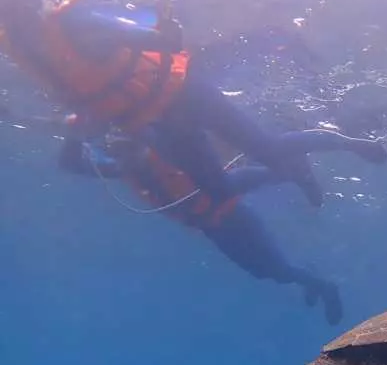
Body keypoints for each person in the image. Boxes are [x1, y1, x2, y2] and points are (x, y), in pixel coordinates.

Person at [0, 0, 387, 209]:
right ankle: (288, 173)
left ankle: (349, 142)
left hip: (185, 92)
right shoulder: (29, 55)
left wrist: (159, 33)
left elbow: (142, 36)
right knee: (215, 190)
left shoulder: (71, 20)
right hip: (153, 118)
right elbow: (79, 96)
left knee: (264, 147)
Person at [57, 135, 345, 324]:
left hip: (233, 216)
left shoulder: (164, 148)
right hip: (214, 228)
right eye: (119, 151)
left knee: (277, 269)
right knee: (265, 272)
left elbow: (234, 175)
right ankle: (310, 275)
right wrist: (75, 128)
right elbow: (71, 164)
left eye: (129, 148)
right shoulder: (122, 168)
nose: (128, 156)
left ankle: (323, 284)